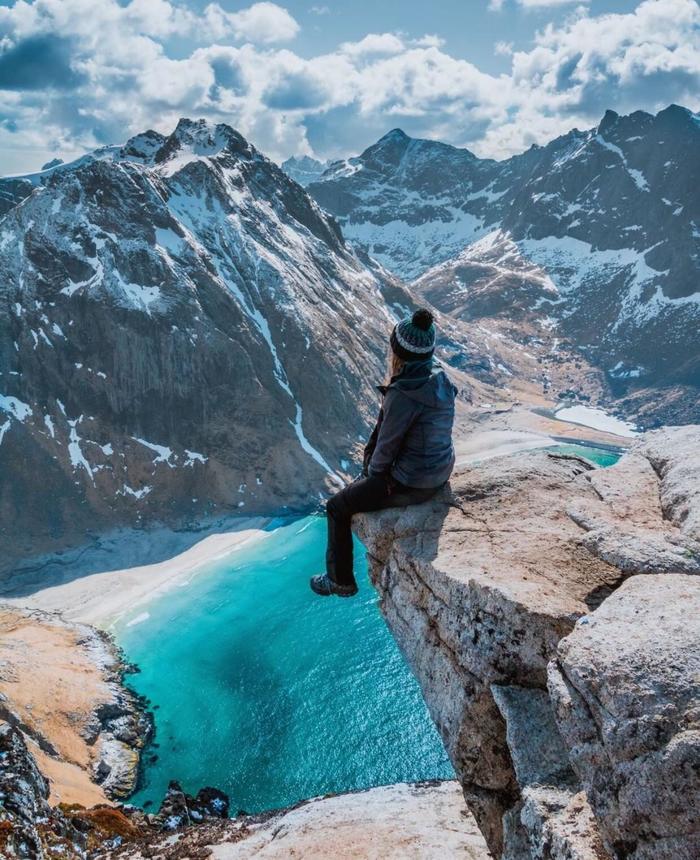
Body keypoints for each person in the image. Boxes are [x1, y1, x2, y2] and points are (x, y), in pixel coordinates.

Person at [310, 308, 457, 598]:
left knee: (337, 507)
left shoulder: (402, 396)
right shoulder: (442, 381)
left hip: (413, 483)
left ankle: (340, 580)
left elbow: (383, 456)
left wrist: (368, 481)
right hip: (441, 472)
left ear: (397, 352)